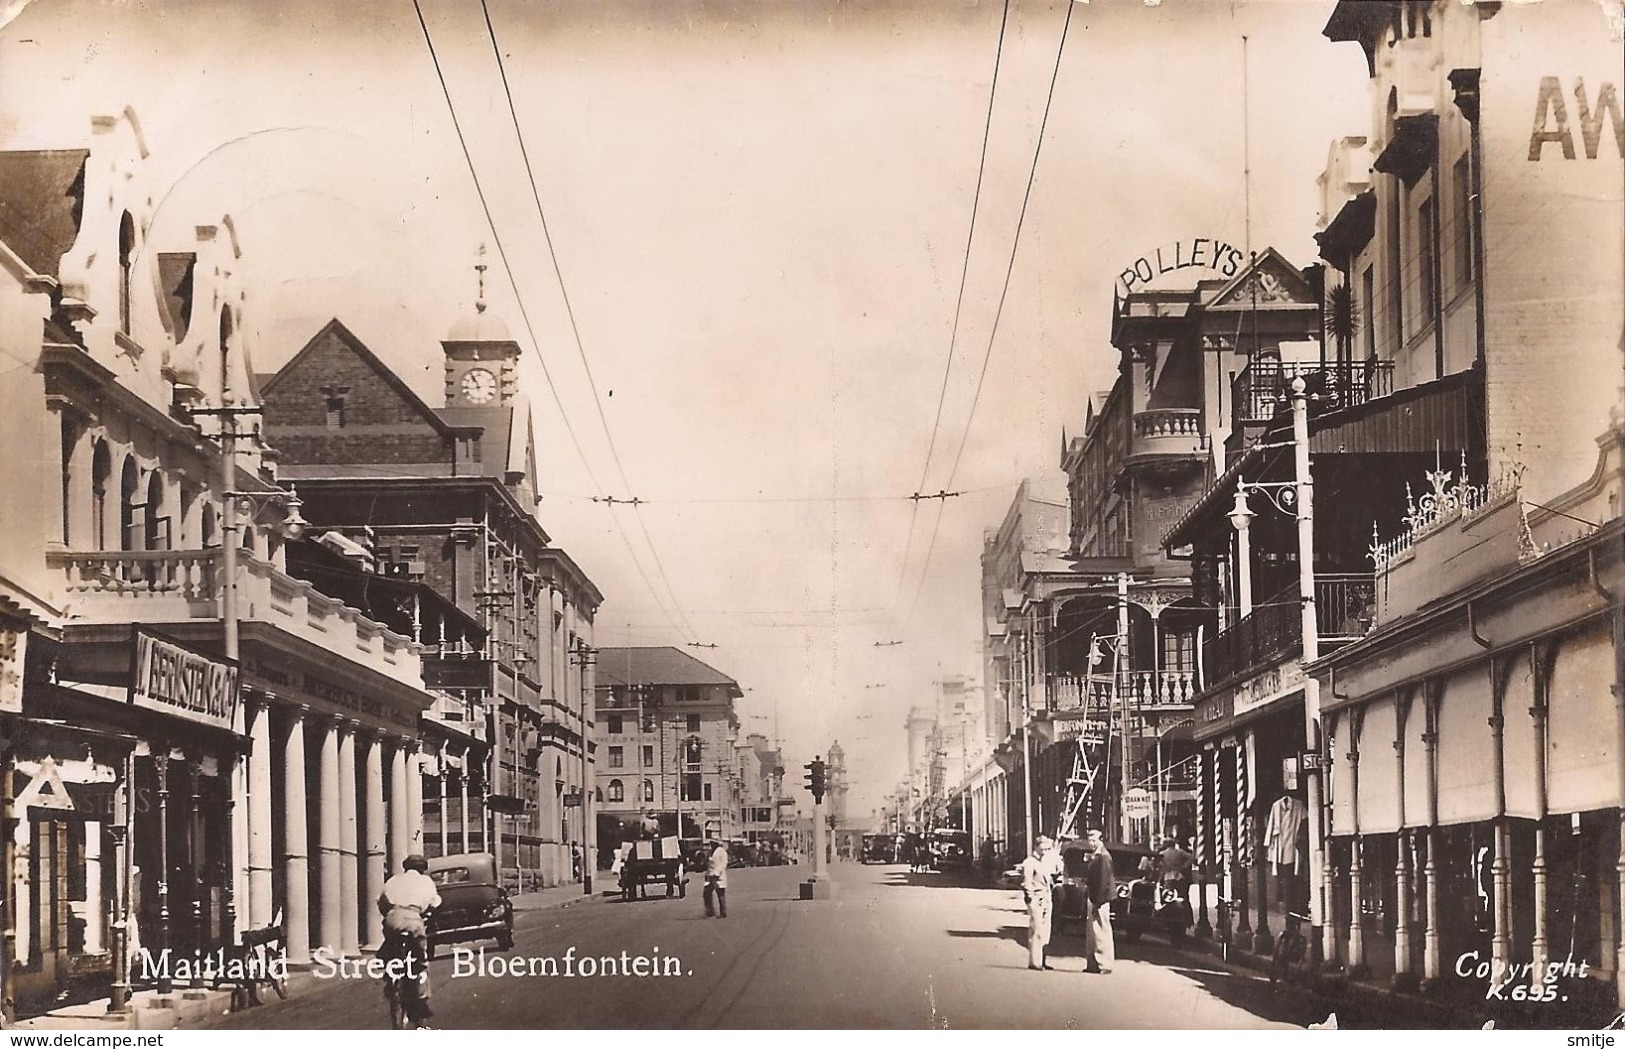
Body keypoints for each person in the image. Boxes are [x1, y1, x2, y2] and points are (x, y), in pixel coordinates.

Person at [377, 854, 441, 1022]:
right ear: (423, 868)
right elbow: (435, 903)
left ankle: (389, 976)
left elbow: (381, 901)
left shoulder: (393, 880)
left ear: (405, 867)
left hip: (392, 918)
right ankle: (422, 998)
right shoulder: (426, 882)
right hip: (413, 919)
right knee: (421, 961)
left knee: (389, 947)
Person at [1020, 836, 1058, 971]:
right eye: (1044, 847)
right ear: (1037, 846)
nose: (1046, 850)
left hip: (1046, 898)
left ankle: (1042, 959)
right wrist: (1030, 900)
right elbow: (1027, 882)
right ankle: (1035, 962)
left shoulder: (1043, 863)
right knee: (1036, 930)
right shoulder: (1030, 862)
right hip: (1037, 899)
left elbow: (1049, 880)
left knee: (1045, 930)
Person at [1080, 830, 1115, 974]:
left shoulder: (1104, 857)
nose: (1091, 843)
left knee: (1101, 931)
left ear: (1101, 840)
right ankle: (1092, 964)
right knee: (1092, 932)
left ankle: (1104, 964)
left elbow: (1104, 882)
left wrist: (1098, 902)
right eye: (1090, 840)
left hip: (1100, 898)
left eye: (1094, 841)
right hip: (1093, 896)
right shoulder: (1096, 856)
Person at [703, 839, 729, 918]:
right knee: (706, 893)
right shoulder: (711, 852)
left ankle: (723, 912)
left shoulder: (721, 851)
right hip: (710, 876)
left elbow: (724, 863)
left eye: (713, 843)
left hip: (718, 876)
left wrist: (717, 872)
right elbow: (709, 864)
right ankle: (710, 911)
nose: (711, 844)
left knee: (720, 894)